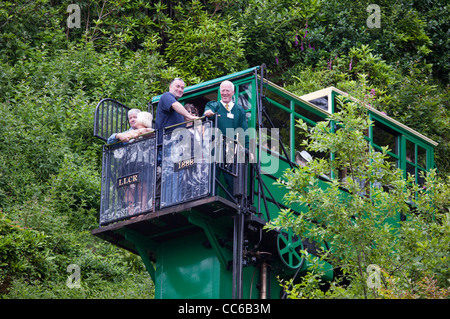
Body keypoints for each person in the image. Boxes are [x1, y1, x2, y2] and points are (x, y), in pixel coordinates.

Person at [203, 80, 249, 199]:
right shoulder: (214, 105)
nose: (224, 93)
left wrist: (247, 148)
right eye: (222, 90)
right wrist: (208, 113)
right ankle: (211, 198)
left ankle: (230, 202)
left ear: (232, 92)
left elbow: (243, 131)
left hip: (230, 148)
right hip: (215, 146)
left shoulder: (239, 110)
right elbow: (207, 111)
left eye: (227, 90)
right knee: (213, 174)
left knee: (232, 178)